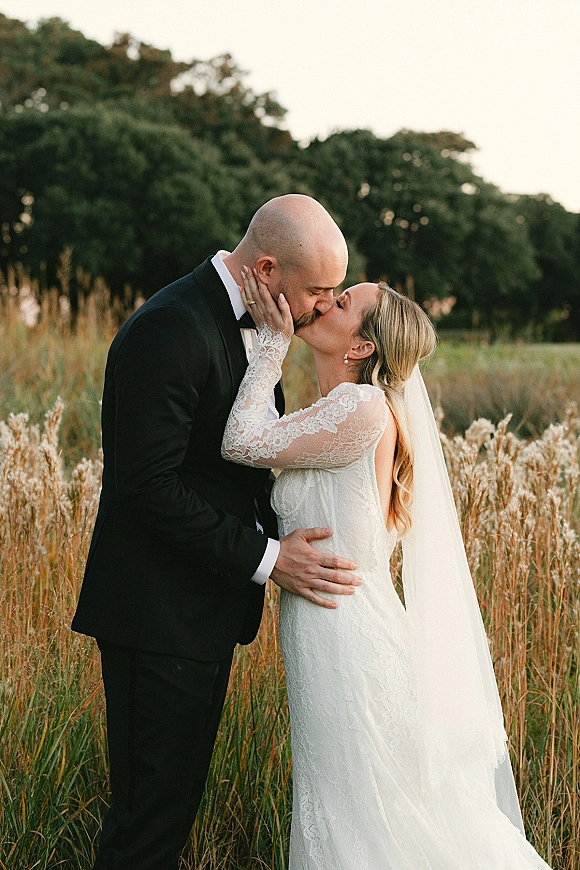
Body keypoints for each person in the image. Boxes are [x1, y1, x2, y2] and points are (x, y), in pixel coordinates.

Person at [221, 269, 553, 868]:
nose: (324, 302)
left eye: (341, 302)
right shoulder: (336, 410)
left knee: (364, 808)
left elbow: (242, 441)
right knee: (344, 800)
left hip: (349, 635)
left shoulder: (362, 407)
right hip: (324, 626)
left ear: (362, 346)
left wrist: (270, 346)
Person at [71, 194, 363, 870]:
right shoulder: (170, 326)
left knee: (167, 817)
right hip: (156, 617)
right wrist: (269, 558)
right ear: (266, 267)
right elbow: (146, 488)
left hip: (199, 615)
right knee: (146, 826)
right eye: (317, 288)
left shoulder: (261, 328)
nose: (325, 303)